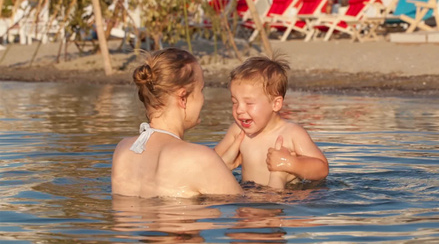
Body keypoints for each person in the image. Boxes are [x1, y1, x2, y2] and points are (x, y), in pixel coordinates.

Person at [112, 48, 243, 198]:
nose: (202, 99)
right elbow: (246, 209)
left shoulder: (122, 150)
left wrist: (221, 169)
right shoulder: (200, 158)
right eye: (201, 90)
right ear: (182, 98)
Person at [215, 55, 329, 189]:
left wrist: (290, 163)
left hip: (286, 197)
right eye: (234, 102)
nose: (239, 109)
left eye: (249, 103)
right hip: (247, 198)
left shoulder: (292, 133)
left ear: (275, 104)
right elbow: (210, 160)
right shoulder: (238, 131)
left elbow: (322, 168)